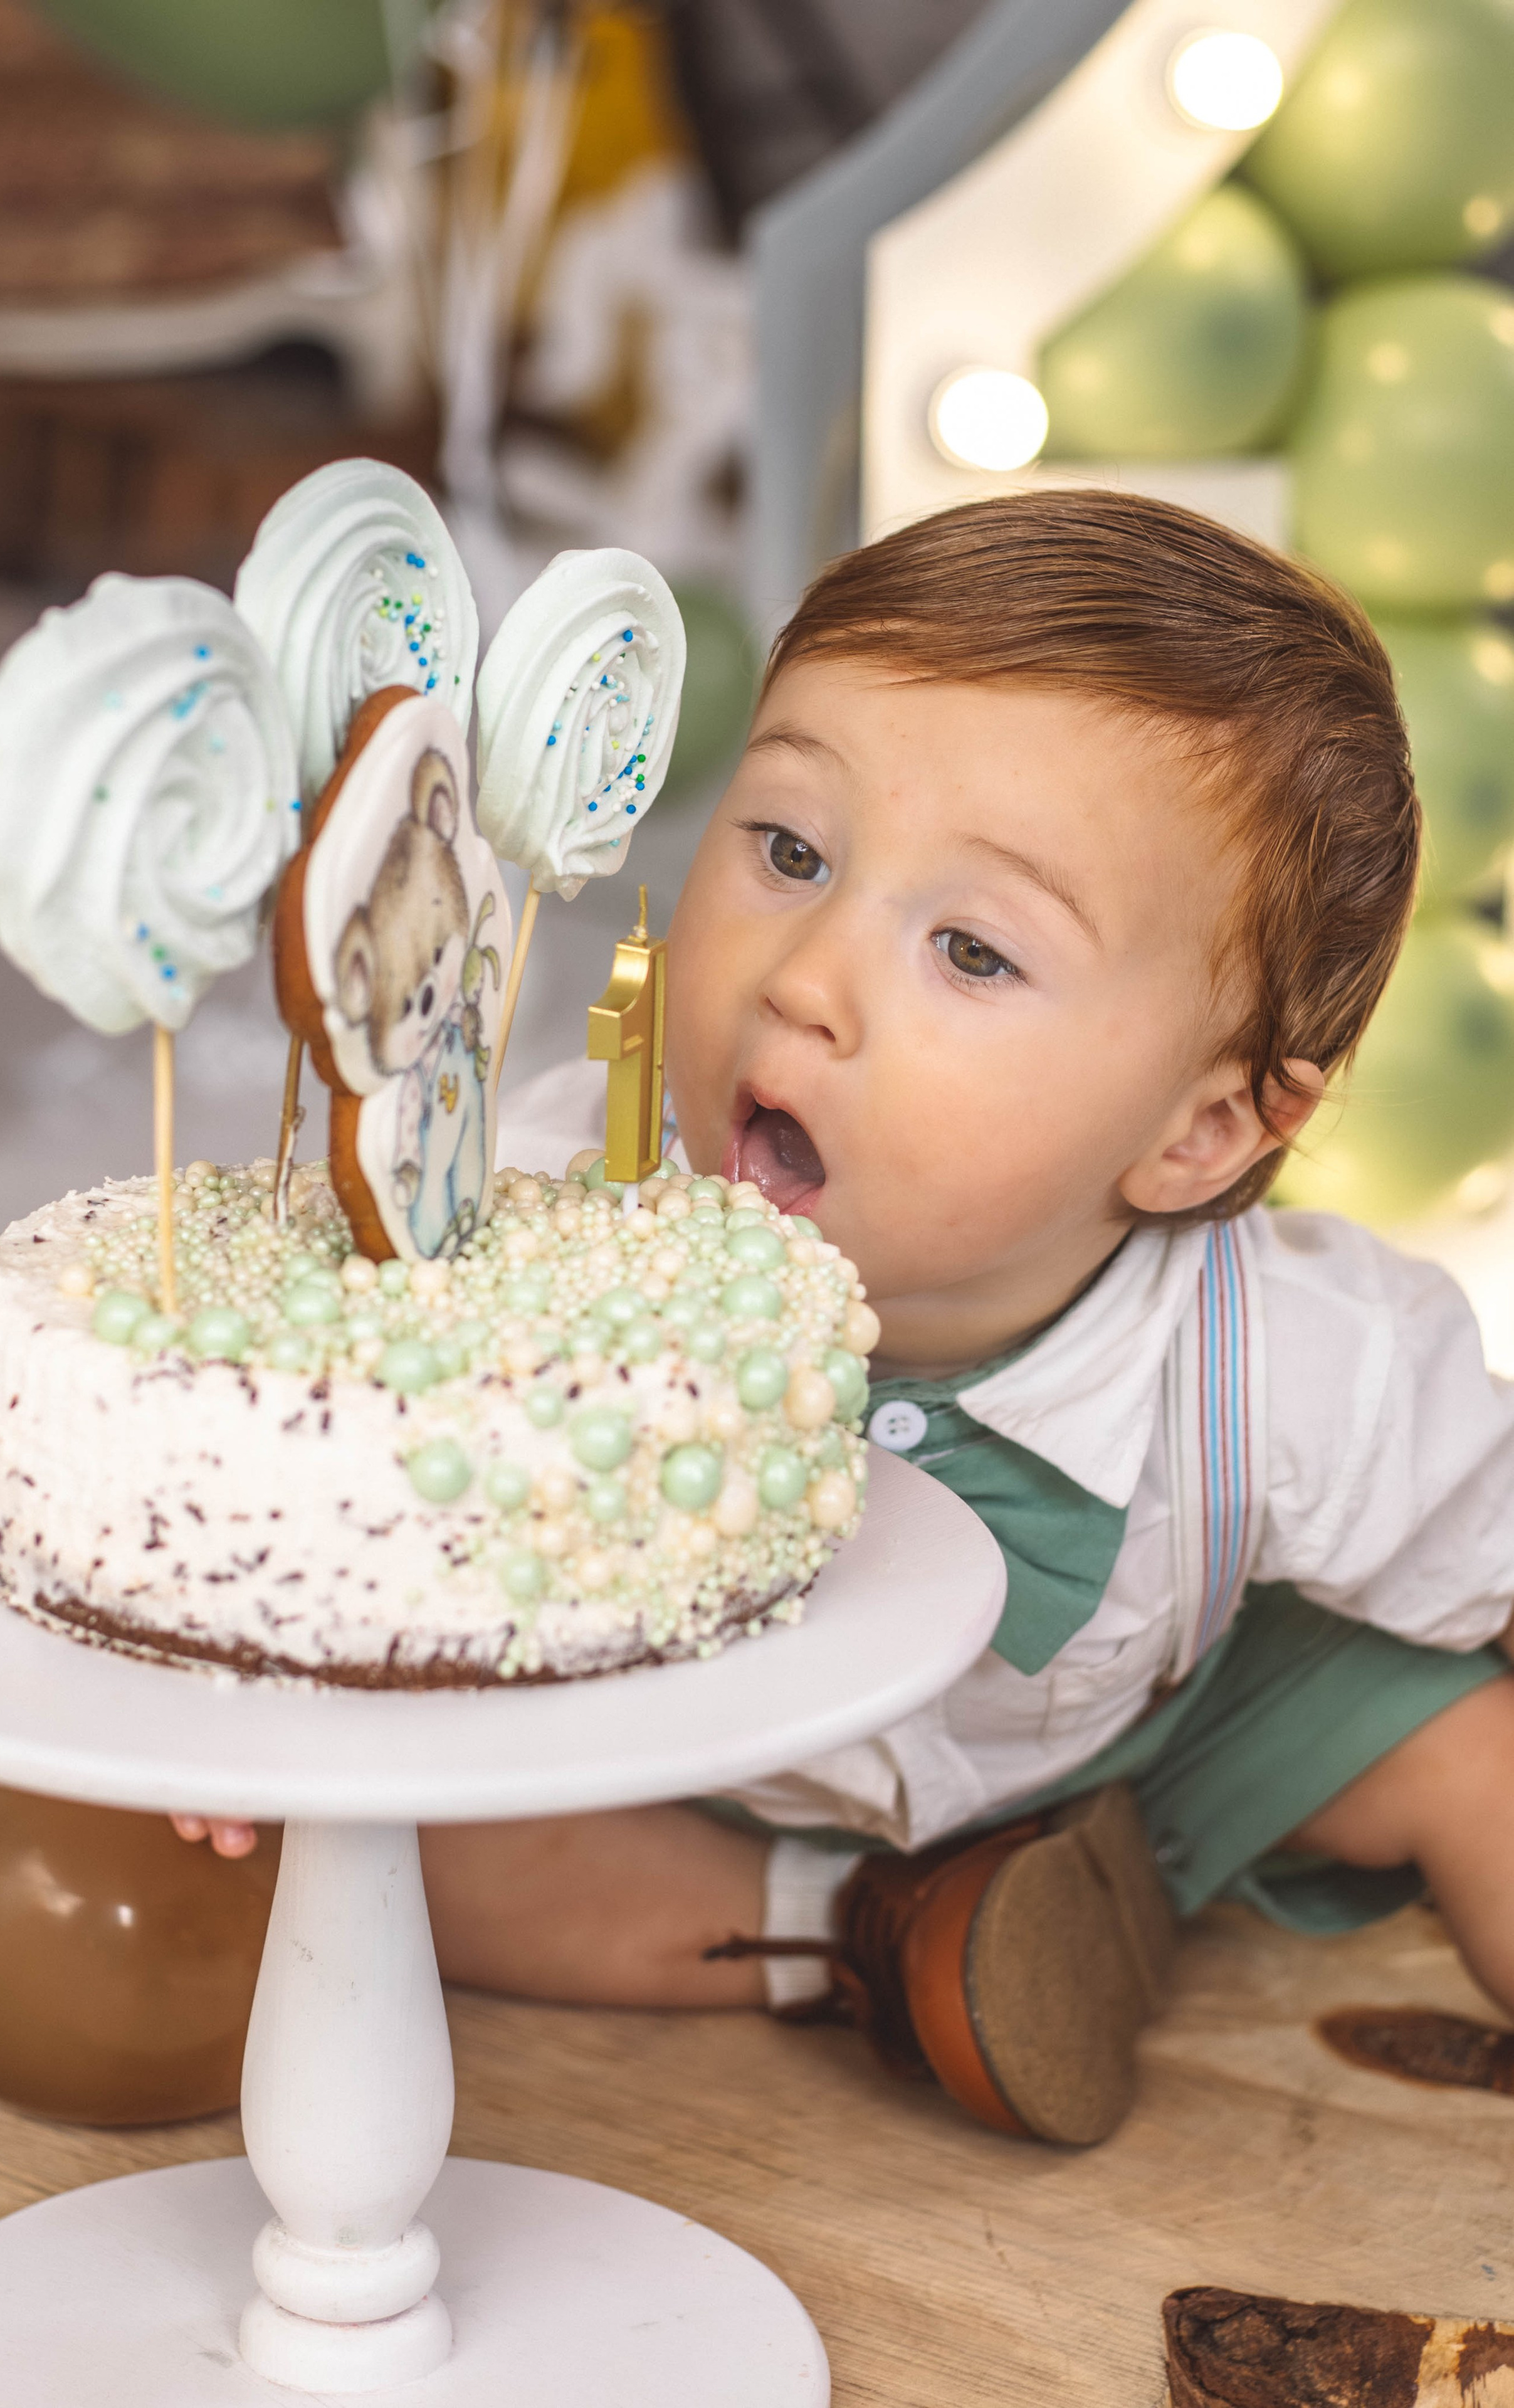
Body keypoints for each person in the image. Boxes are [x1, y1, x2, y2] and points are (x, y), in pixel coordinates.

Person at [177, 490, 1514, 2148]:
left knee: (1473, 1759)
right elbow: (339, 1471)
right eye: (793, 851)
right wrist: (258, 1696)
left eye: (971, 949)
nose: (806, 974)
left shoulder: (1300, 1369)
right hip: (700, 1784)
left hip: (1164, 1746)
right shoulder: (527, 1213)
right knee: (384, 1849)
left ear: (1200, 1135)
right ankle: (878, 1938)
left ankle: (1087, 1889)